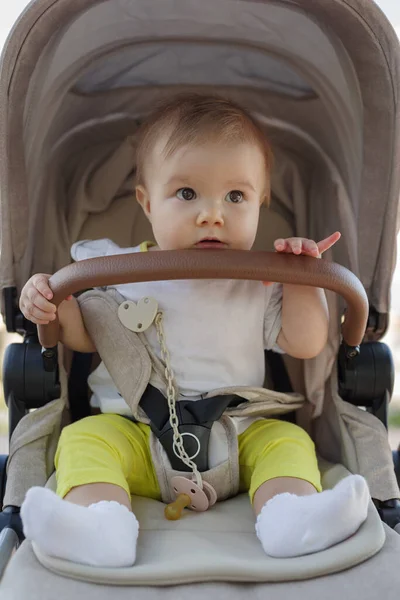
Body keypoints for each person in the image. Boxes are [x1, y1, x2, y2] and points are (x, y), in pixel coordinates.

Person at [19, 94, 369, 568]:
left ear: (262, 201)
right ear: (146, 202)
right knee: (84, 440)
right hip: (136, 435)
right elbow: (83, 337)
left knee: (288, 442)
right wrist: (47, 300)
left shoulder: (257, 280)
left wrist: (300, 278)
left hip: (239, 439)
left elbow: (305, 343)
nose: (212, 215)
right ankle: (99, 524)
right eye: (187, 194)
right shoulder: (116, 268)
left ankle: (292, 518)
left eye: (236, 196)